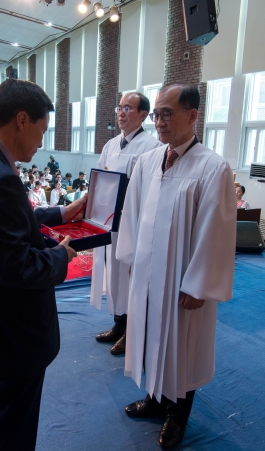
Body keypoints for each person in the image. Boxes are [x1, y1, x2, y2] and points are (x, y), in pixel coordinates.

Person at [0, 79, 87, 451]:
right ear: (22, 120)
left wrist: (62, 213)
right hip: (11, 333)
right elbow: (17, 267)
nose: (41, 142)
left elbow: (4, 224)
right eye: (42, 130)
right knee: (10, 434)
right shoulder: (0, 178)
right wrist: (60, 256)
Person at [115, 84, 236, 449]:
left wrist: (199, 284)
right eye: (157, 114)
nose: (159, 121)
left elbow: (216, 231)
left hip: (182, 279)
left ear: (192, 115)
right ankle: (154, 398)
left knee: (182, 344)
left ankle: (177, 416)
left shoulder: (212, 167)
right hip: (148, 274)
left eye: (167, 114)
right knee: (150, 335)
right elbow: (133, 213)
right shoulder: (149, 160)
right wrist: (132, 258)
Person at [91, 91, 162, 355]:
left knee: (132, 276)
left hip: (134, 222)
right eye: (119, 108)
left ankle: (132, 331)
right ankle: (119, 324)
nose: (121, 113)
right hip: (111, 222)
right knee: (115, 275)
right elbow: (100, 180)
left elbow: (151, 189)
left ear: (143, 114)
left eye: (128, 108)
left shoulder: (152, 147)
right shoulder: (110, 145)